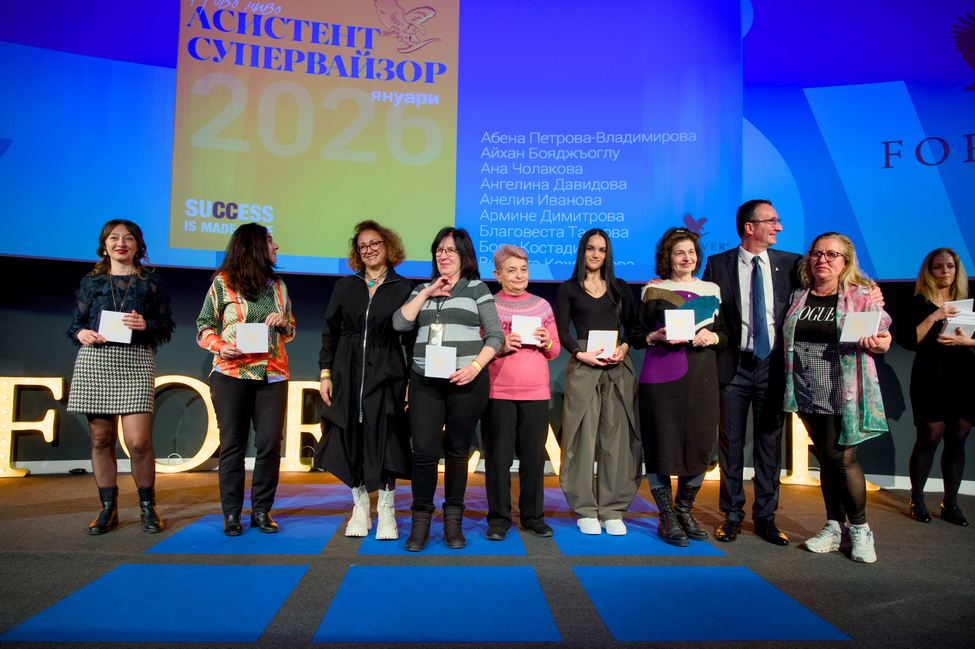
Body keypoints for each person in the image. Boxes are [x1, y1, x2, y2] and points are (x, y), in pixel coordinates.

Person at [783, 233, 892, 563]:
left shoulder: (860, 295)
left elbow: (884, 339)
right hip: (805, 389)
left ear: (846, 261)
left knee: (841, 459)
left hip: (843, 391)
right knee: (827, 460)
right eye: (817, 253)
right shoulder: (799, 294)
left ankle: (860, 529)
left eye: (832, 254)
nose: (823, 260)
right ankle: (834, 527)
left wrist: (878, 343)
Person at [393, 227, 503, 551]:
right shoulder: (421, 289)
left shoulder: (477, 289)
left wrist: (475, 368)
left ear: (464, 256)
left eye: (451, 250)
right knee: (424, 452)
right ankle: (421, 523)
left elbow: (495, 336)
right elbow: (400, 324)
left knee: (457, 452)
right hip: (425, 379)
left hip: (466, 381)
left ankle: (453, 522)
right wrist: (427, 293)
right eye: (439, 250)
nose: (443, 255)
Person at [702, 200, 801, 545]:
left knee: (769, 445)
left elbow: (825, 285)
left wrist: (867, 290)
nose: (779, 227)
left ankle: (766, 518)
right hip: (734, 366)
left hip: (772, 366)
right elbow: (704, 309)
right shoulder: (718, 264)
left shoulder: (792, 264)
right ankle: (731, 515)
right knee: (731, 445)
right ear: (750, 227)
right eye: (772, 221)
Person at [67, 220, 175, 535]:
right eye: (114, 238)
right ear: (105, 245)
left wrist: (146, 325)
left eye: (128, 238)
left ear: (138, 245)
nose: (121, 243)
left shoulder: (151, 283)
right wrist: (82, 333)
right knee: (101, 439)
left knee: (138, 442)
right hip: (96, 361)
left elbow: (165, 326)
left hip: (136, 361)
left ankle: (147, 507)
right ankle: (108, 509)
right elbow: (76, 324)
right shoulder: (91, 282)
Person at [314, 221, 414, 540]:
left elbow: (412, 339)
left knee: (385, 440)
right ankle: (360, 509)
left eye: (374, 243)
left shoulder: (404, 288)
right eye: (362, 246)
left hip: (387, 372)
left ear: (388, 246)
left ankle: (386, 510)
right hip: (347, 371)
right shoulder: (345, 287)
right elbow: (330, 332)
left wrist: (412, 379)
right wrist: (325, 373)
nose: (368, 250)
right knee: (351, 439)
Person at [196, 223, 295, 537]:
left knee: (269, 445)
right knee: (233, 446)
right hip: (232, 374)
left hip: (272, 375)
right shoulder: (223, 283)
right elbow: (203, 326)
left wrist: (284, 323)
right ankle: (232, 513)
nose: (276, 246)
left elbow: (290, 329)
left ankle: (262, 511)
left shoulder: (278, 286)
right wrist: (220, 346)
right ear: (253, 245)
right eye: (270, 241)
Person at [631, 228, 727, 547]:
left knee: (699, 445)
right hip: (660, 377)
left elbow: (727, 335)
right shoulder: (653, 290)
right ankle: (666, 517)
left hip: (701, 379)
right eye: (679, 253)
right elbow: (636, 334)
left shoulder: (712, 290)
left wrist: (713, 336)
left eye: (691, 252)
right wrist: (654, 336)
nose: (687, 258)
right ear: (667, 258)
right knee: (660, 445)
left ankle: (684, 510)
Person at [555, 228, 641, 536]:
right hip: (583, 366)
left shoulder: (620, 287)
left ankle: (612, 509)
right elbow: (561, 332)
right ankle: (584, 509)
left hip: (617, 367)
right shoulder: (568, 288)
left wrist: (624, 347)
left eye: (602, 250)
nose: (596, 254)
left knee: (616, 439)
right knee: (580, 438)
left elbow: (633, 328)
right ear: (582, 251)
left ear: (608, 254)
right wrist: (580, 354)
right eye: (591, 248)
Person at [481, 245, 561, 541]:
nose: (519, 275)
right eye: (511, 270)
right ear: (497, 275)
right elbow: (479, 346)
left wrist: (546, 341)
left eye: (523, 269)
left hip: (535, 393)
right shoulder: (487, 305)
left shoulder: (542, 306)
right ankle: (499, 519)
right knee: (498, 460)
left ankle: (533, 517)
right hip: (497, 392)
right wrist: (500, 346)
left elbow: (555, 350)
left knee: (533, 459)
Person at [896, 248, 973, 526]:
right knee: (929, 437)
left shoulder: (966, 303)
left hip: (963, 373)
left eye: (950, 266)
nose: (945, 272)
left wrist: (968, 342)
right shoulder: (917, 303)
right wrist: (935, 316)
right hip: (930, 373)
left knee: (958, 438)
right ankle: (917, 499)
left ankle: (951, 503)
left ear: (957, 270)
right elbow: (908, 341)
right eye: (938, 266)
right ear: (929, 271)